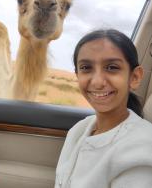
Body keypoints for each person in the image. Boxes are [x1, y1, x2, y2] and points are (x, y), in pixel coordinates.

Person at [55, 29, 152, 188]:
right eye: (86, 67)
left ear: (134, 77)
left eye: (112, 67)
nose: (98, 82)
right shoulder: (79, 129)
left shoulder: (143, 150)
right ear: (77, 75)